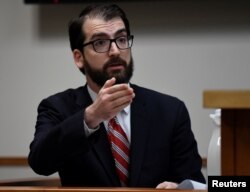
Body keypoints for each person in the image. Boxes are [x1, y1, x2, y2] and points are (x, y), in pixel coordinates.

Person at [28, 4, 205, 188]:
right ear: (79, 58)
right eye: (100, 43)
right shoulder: (57, 107)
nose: (115, 51)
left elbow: (195, 182)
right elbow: (40, 163)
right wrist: (90, 117)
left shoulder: (170, 111)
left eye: (121, 39)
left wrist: (180, 188)